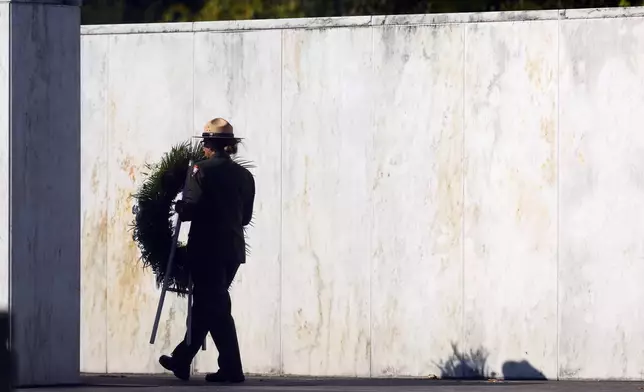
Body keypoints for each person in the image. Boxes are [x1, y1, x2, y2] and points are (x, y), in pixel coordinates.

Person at [159, 118, 255, 383]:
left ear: (209, 145)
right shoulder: (245, 176)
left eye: (204, 143)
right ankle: (181, 359)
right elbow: (245, 218)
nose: (202, 148)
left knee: (216, 306)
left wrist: (178, 206)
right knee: (209, 304)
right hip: (232, 250)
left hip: (206, 249)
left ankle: (232, 369)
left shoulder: (199, 170)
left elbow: (189, 210)